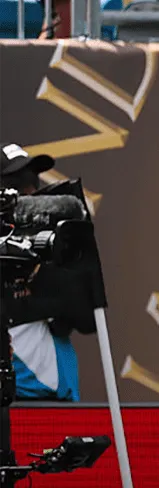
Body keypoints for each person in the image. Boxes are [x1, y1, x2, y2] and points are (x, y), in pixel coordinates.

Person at [2, 144, 81, 403]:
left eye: (33, 181)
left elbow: (85, 314)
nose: (31, 191)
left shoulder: (50, 243)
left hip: (56, 394)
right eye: (19, 183)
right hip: (21, 393)